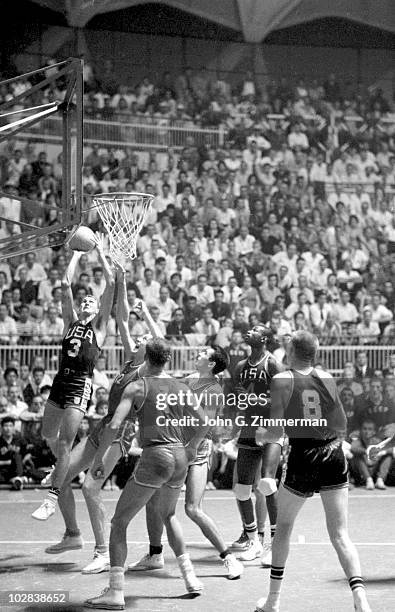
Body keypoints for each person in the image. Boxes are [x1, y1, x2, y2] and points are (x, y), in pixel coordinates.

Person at [43, 266, 163, 574]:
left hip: (121, 434)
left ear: (148, 352)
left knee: (90, 488)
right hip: (103, 427)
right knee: (62, 475)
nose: (139, 337)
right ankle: (72, 534)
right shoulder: (127, 359)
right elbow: (121, 318)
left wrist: (148, 317)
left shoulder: (145, 371)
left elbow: (161, 343)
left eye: (144, 338)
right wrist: (120, 279)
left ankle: (103, 552)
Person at [84, 338, 208, 609]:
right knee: (169, 515)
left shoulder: (138, 386)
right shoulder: (182, 386)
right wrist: (191, 449)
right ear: (168, 360)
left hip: (156, 456)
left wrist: (100, 458)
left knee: (119, 521)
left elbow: (115, 424)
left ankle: (115, 592)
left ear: (146, 360)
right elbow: (204, 423)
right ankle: (190, 577)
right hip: (179, 458)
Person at [254, 330, 371, 612]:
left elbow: (276, 429)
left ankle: (273, 601)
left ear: (292, 352)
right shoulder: (326, 376)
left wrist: (262, 435)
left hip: (303, 456)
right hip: (332, 451)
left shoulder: (282, 379)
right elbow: (341, 422)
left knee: (282, 528)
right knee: (341, 534)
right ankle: (361, 599)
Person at [128, 346, 244, 580]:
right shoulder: (190, 380)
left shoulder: (213, 390)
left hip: (197, 451)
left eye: (204, 352)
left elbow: (206, 425)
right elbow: (162, 379)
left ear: (211, 364)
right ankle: (155, 554)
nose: (198, 352)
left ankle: (227, 557)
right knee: (153, 503)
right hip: (176, 448)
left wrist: (191, 448)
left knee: (192, 509)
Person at [32, 239, 115, 521]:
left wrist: (101, 252)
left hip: (80, 384)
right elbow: (66, 286)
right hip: (59, 381)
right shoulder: (70, 323)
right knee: (47, 435)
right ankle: (59, 470)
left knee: (66, 442)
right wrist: (77, 254)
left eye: (91, 300)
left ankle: (52, 498)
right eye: (84, 301)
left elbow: (111, 286)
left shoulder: (100, 327)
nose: (87, 301)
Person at [232, 325, 284, 565]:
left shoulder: (272, 364)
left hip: (272, 428)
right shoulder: (241, 367)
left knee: (266, 483)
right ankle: (253, 541)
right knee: (242, 490)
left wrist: (252, 398)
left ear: (263, 338)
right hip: (249, 427)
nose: (248, 331)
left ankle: (275, 542)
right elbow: (234, 399)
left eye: (254, 330)